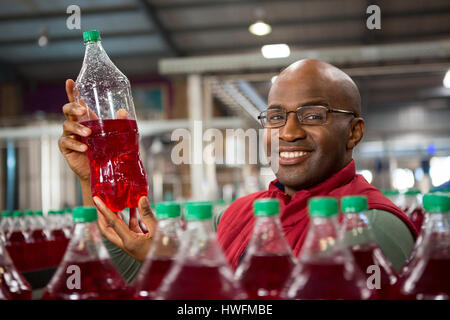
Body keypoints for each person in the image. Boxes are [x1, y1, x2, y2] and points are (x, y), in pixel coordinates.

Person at [59, 59, 417, 282]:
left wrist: (185, 268)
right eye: (276, 116)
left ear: (354, 132)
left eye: (313, 115)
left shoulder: (373, 224)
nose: (288, 133)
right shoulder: (240, 215)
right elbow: (140, 276)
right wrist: (97, 174)